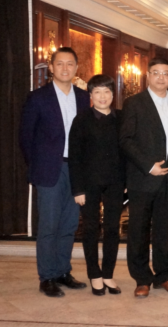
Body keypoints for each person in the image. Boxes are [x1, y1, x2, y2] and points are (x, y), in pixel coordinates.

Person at [20, 47, 89, 297]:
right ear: (51, 67)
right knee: (49, 225)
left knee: (69, 225)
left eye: (70, 64)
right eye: (60, 64)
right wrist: (38, 165)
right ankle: (47, 276)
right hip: (49, 170)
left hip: (76, 169)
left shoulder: (83, 97)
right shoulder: (37, 97)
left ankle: (62, 271)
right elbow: (26, 137)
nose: (65, 68)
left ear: (76, 68)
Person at [120, 57, 168, 298]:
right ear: (148, 76)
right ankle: (141, 279)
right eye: (156, 72)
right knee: (138, 230)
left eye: (166, 73)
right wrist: (149, 166)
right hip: (142, 178)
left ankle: (164, 276)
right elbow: (125, 139)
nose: (161, 77)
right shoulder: (134, 103)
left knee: (163, 230)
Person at [69, 74, 125, 296]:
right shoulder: (81, 120)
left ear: (113, 94)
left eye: (107, 91)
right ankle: (95, 274)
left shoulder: (121, 118)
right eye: (98, 92)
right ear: (91, 95)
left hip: (115, 183)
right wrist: (78, 189)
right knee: (91, 229)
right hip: (89, 184)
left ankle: (108, 274)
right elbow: (74, 157)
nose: (103, 96)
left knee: (112, 229)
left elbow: (127, 152)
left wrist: (127, 181)